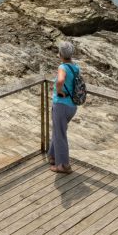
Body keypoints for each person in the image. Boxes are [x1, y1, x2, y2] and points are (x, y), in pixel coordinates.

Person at [48, 40, 80, 174]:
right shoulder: (75, 67)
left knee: (60, 134)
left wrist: (59, 90)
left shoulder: (63, 67)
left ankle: (63, 165)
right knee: (58, 130)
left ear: (60, 53)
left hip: (61, 105)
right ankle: (52, 155)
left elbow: (61, 80)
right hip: (72, 106)